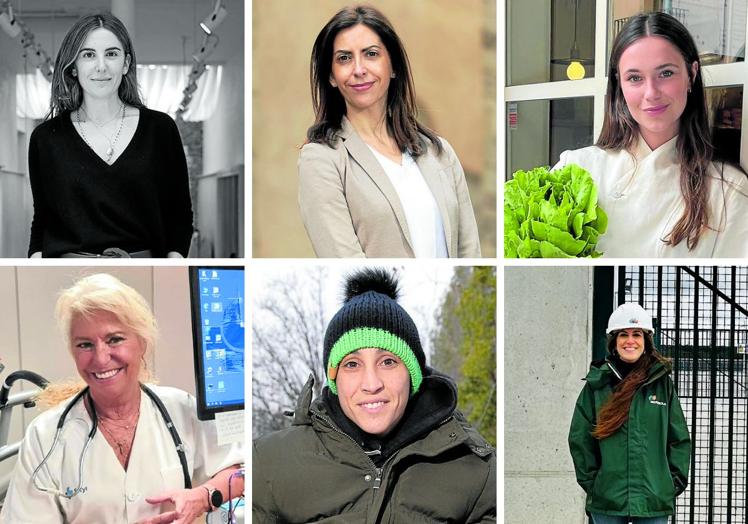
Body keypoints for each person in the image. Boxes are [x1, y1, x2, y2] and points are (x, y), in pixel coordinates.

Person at [253, 268, 495, 522]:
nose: (371, 384)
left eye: (388, 362)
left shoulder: (476, 469)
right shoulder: (269, 464)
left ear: (412, 373)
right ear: (334, 378)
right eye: (352, 365)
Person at [1, 274, 243, 524]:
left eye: (114, 339)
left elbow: (239, 472)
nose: (101, 358)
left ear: (142, 341)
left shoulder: (181, 408)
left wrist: (202, 497)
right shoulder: (44, 436)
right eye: (85, 345)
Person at [553, 12, 748, 257]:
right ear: (620, 84)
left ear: (692, 74)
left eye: (666, 73)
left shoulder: (727, 189)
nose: (651, 93)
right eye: (634, 78)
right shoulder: (576, 170)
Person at [298, 6, 481, 258]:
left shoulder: (440, 152)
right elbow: (345, 261)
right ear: (331, 75)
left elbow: (469, 253)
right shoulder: (321, 159)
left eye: (371, 54)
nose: (359, 69)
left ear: (393, 66)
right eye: (344, 58)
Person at [28, 13, 193, 258]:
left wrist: (173, 262)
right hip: (67, 274)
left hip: (145, 272)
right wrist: (35, 262)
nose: (101, 66)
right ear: (73, 66)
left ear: (125, 64)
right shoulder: (46, 138)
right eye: (88, 55)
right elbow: (43, 216)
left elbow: (179, 213)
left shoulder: (160, 130)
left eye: (111, 54)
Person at [568, 303, 691, 523]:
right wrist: (596, 485)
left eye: (637, 334)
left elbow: (679, 439)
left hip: (653, 501)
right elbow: (580, 438)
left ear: (646, 341)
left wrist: (670, 484)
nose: (630, 341)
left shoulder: (662, 385)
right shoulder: (597, 385)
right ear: (614, 342)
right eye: (623, 335)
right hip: (608, 503)